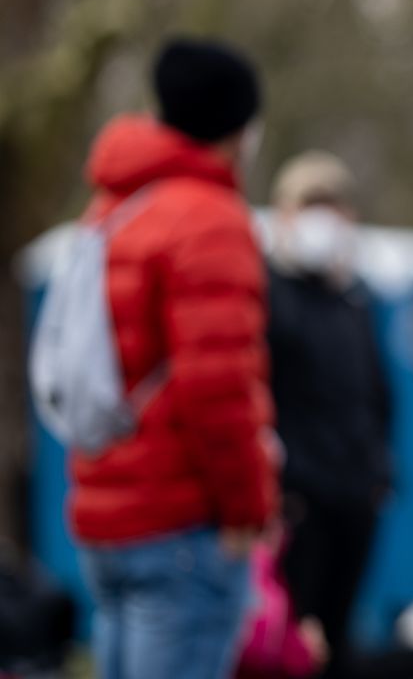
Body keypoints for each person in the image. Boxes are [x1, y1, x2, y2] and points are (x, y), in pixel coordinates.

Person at [66, 36, 278, 679]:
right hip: (181, 523)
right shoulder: (209, 219)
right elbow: (216, 387)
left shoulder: (112, 207)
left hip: (106, 511)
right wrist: (248, 507)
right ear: (236, 126)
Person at [265, 151, 394, 679]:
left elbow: (374, 394)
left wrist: (379, 473)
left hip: (353, 496)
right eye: (310, 207)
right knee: (295, 646)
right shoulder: (269, 296)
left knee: (338, 644)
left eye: (333, 209)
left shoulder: (353, 301)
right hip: (298, 501)